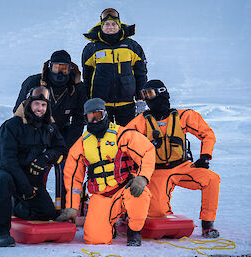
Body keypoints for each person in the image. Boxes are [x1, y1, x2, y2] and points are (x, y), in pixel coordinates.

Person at [127, 79, 221, 238]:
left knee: (212, 179)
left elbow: (207, 134)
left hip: (183, 168)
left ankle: (207, 224)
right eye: (145, 95)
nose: (148, 98)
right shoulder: (140, 121)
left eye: (150, 93)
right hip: (157, 172)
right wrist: (133, 171)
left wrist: (205, 156)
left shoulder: (184, 116)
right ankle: (149, 211)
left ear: (161, 93)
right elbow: (125, 141)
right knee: (156, 212)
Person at [56, 98, 155, 246]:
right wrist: (72, 207)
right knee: (95, 239)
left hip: (126, 188)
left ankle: (134, 231)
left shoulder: (122, 134)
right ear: (85, 119)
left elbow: (147, 150)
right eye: (90, 117)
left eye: (98, 115)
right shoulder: (81, 144)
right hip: (101, 195)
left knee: (140, 194)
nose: (95, 121)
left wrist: (142, 178)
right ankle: (109, 225)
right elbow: (73, 178)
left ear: (105, 114)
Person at [0, 87, 67, 247]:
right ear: (28, 104)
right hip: (7, 173)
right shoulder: (11, 126)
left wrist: (44, 158)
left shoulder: (49, 127)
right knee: (3, 181)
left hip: (31, 177)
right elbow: (7, 160)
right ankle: (1, 233)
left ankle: (15, 204)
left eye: (44, 105)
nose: (40, 109)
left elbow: (61, 148)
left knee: (47, 213)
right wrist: (24, 187)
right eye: (36, 104)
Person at [82, 8, 147, 126]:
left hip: (127, 104)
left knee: (127, 137)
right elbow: (87, 78)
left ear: (119, 25)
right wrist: (88, 102)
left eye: (113, 24)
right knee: (105, 139)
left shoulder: (132, 46)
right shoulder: (91, 48)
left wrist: (141, 99)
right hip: (101, 106)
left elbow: (141, 75)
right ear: (101, 26)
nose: (110, 27)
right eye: (106, 24)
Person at [14, 50, 87, 149]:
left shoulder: (76, 88)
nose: (60, 72)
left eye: (64, 69)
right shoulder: (33, 82)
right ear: (50, 67)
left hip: (61, 131)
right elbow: (18, 112)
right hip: (34, 130)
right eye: (56, 68)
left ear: (70, 69)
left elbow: (79, 119)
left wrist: (69, 145)